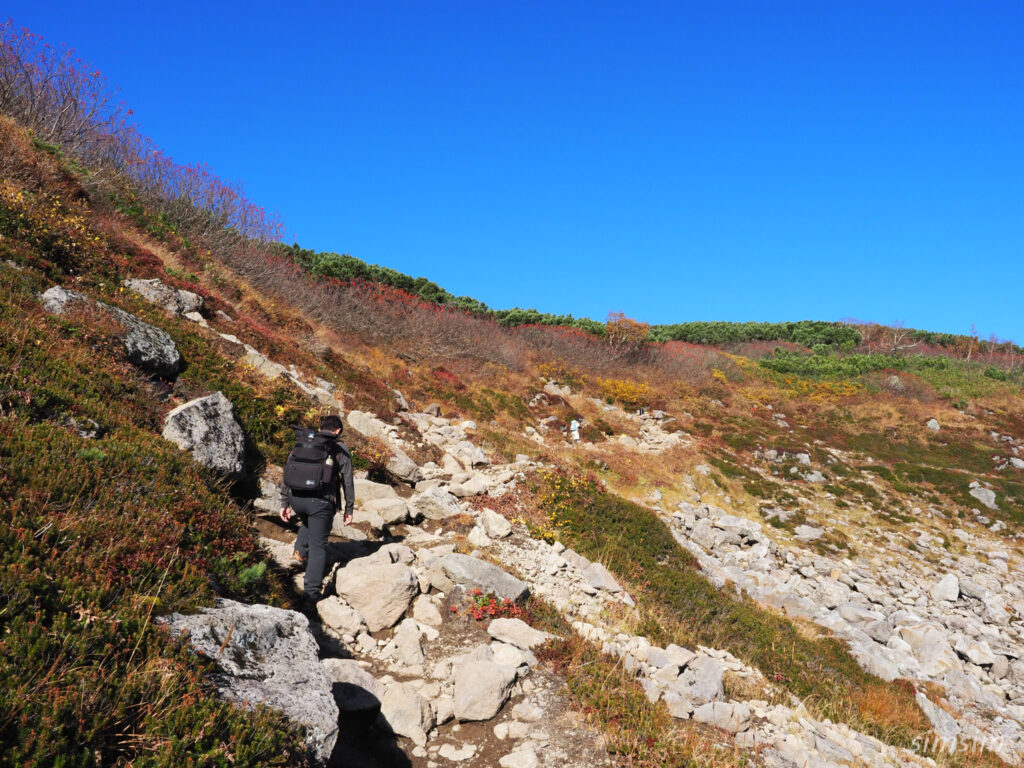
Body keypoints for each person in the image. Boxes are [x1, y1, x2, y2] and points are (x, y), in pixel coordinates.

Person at [280, 414, 354, 605]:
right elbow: (347, 481)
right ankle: (311, 593)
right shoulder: (339, 449)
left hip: (296, 499)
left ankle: (299, 552)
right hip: (320, 503)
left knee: (308, 520)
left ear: (321, 428)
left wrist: (284, 502)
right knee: (319, 547)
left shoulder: (304, 442)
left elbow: (288, 470)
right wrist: (349, 509)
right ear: (337, 431)